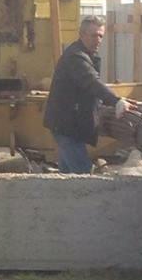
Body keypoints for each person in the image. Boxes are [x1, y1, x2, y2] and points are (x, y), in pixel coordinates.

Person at [44, 16, 127, 174]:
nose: (98, 40)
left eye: (101, 36)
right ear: (82, 35)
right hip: (67, 127)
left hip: (68, 126)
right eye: (94, 35)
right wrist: (116, 101)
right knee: (82, 174)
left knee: (68, 176)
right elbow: (91, 81)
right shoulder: (76, 57)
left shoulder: (85, 55)